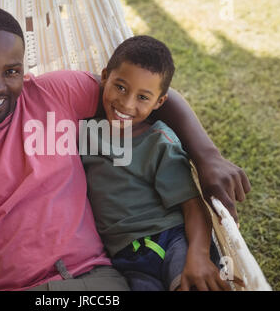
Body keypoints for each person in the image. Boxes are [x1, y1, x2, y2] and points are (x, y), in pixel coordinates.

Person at [0, 7, 249, 291]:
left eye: (11, 72)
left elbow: (151, 95)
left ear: (23, 71)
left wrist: (207, 156)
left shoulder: (56, 94)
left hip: (98, 281)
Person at [81, 35, 230, 291]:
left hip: (172, 240)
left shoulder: (159, 142)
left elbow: (192, 206)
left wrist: (198, 255)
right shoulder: (83, 133)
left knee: (194, 284)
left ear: (159, 102)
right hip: (126, 260)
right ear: (104, 77)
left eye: (142, 97)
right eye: (120, 87)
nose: (126, 104)